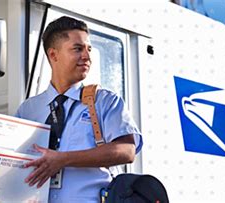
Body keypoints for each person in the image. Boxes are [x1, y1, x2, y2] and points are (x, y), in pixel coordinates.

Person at [15, 16, 143, 202]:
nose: (87, 56)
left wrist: (63, 159)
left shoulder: (105, 101)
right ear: (53, 55)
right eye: (78, 49)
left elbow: (127, 151)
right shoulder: (28, 110)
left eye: (88, 49)